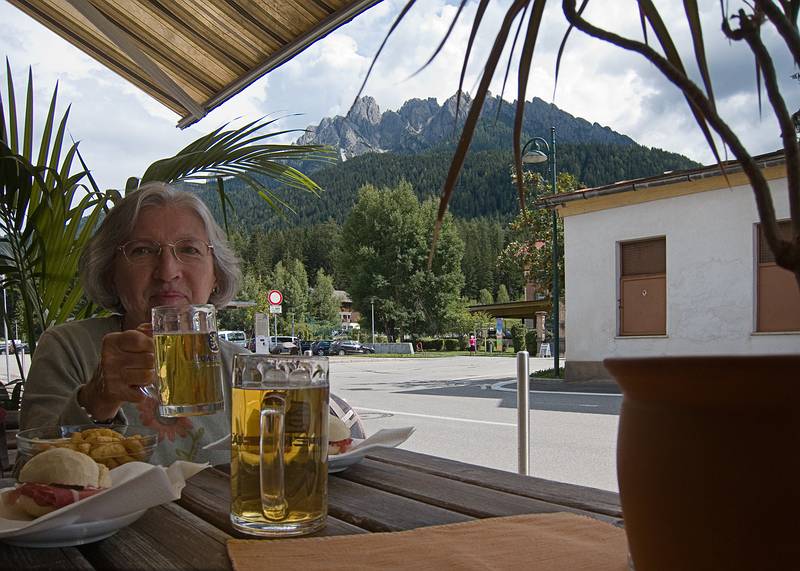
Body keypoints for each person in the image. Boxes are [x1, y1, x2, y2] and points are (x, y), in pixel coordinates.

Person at [19, 182, 247, 466]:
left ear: (216, 275)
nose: (167, 272)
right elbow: (31, 474)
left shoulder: (243, 366)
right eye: (142, 251)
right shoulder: (69, 348)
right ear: (111, 272)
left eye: (189, 249)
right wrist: (96, 399)